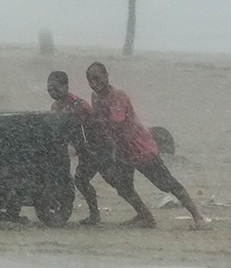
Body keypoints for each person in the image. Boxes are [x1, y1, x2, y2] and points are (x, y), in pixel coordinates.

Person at [85, 62, 209, 229]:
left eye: (97, 79)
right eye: (90, 81)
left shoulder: (118, 95)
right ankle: (146, 217)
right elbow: (100, 123)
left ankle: (198, 216)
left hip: (138, 146)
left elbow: (115, 123)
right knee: (123, 187)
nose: (94, 84)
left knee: (167, 183)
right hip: (121, 149)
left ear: (106, 76)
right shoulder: (95, 96)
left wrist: (101, 135)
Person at [46, 70, 103, 225]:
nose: (52, 92)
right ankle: (94, 214)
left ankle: (95, 214)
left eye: (55, 88)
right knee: (79, 179)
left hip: (92, 148)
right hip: (77, 149)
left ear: (66, 86)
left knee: (81, 180)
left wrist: (88, 148)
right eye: (49, 90)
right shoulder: (55, 107)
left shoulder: (78, 105)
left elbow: (90, 129)